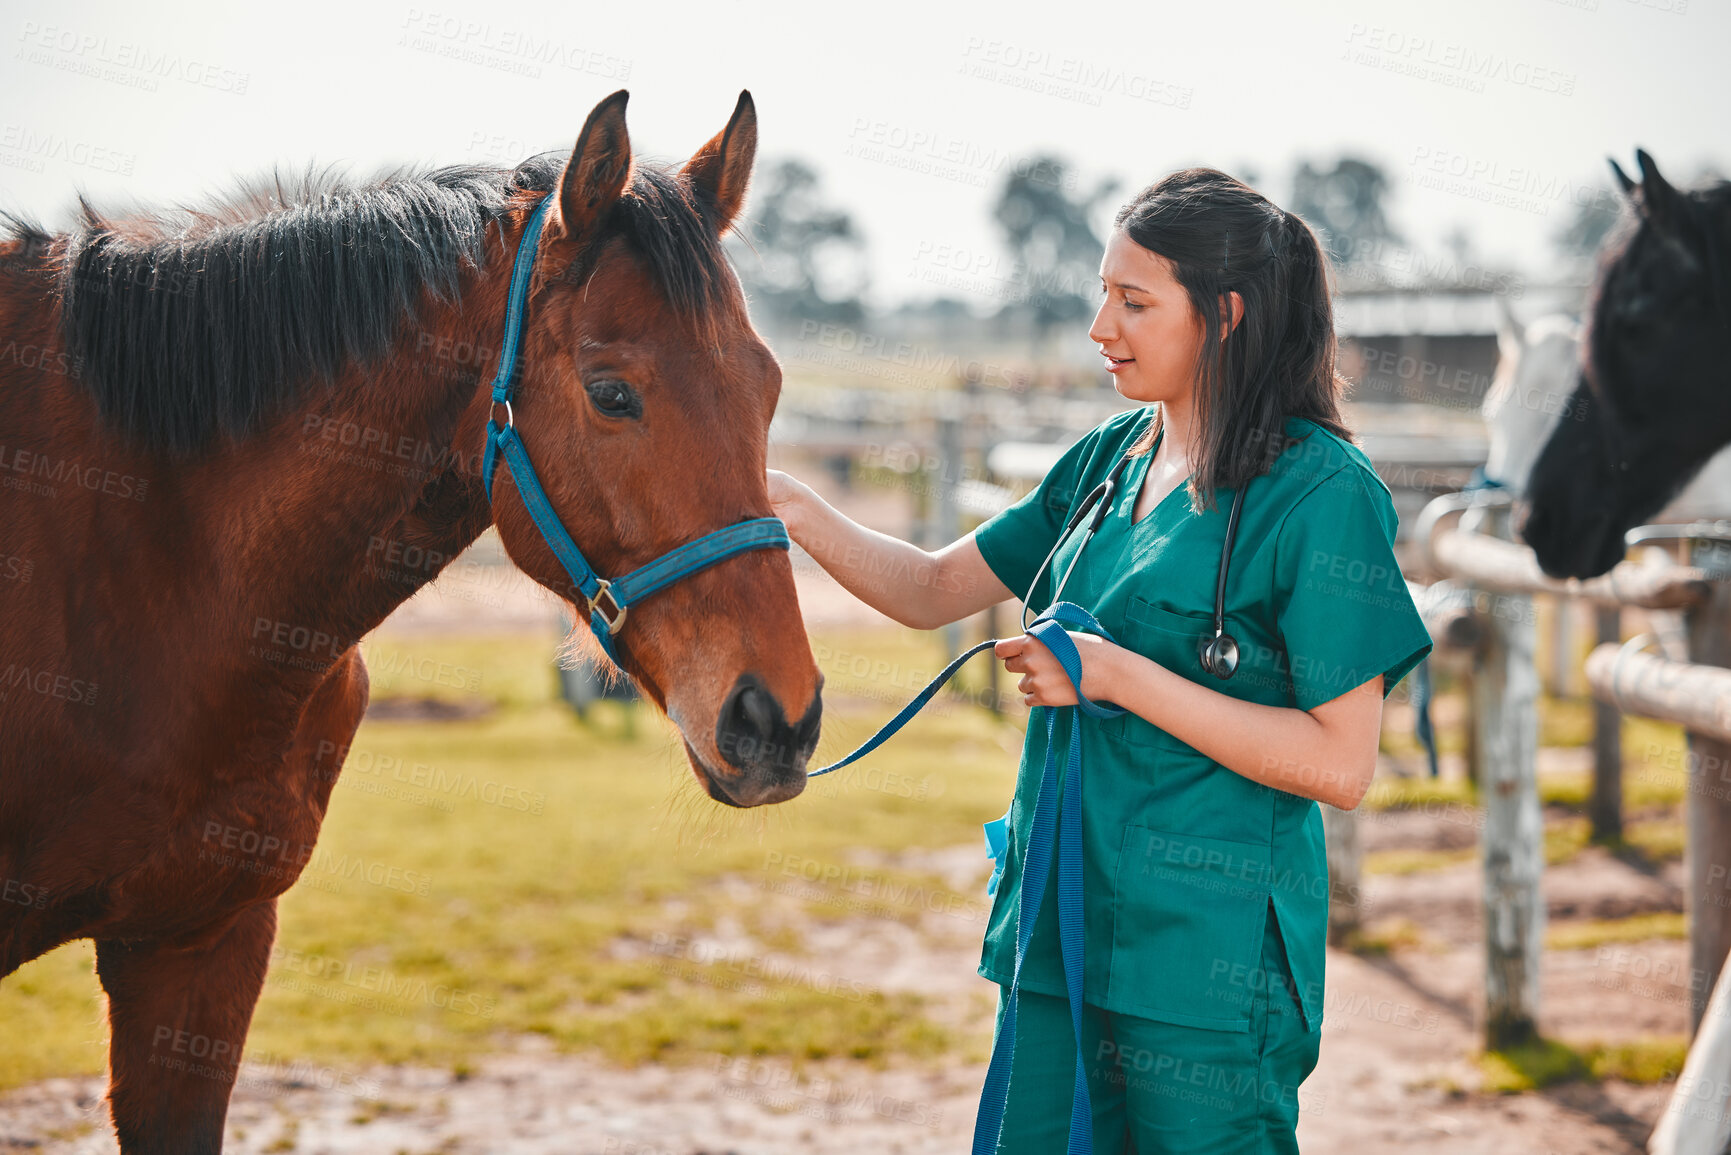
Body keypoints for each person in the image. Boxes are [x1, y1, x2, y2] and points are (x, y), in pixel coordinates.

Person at [766, 167, 1435, 1153]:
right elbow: (927, 590)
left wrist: (1117, 676)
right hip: (1058, 930)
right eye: (1102, 294)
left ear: (1227, 314)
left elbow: (1340, 764)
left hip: (1206, 969)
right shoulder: (1107, 459)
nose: (1099, 326)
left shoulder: (1325, 496)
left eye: (1133, 300)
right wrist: (790, 506)